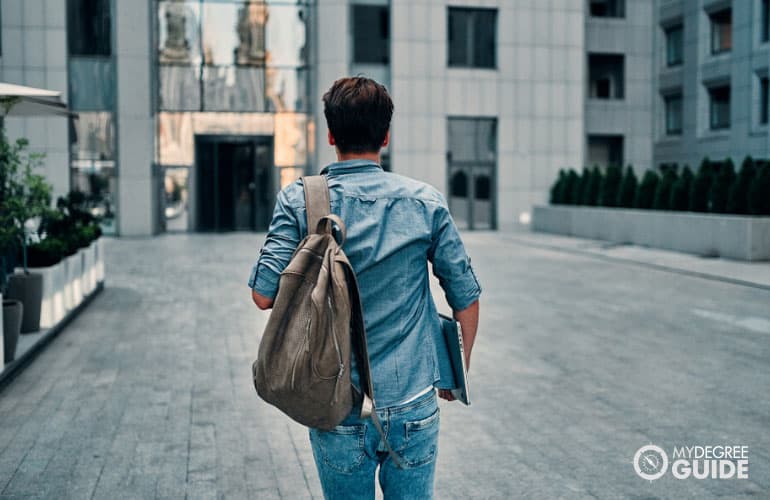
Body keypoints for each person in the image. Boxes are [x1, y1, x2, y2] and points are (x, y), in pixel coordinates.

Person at [248, 76, 481, 500]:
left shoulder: (299, 200)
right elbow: (465, 296)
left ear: (331, 135)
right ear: (386, 136)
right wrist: (456, 371)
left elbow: (263, 295)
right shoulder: (424, 202)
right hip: (413, 402)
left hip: (335, 402)